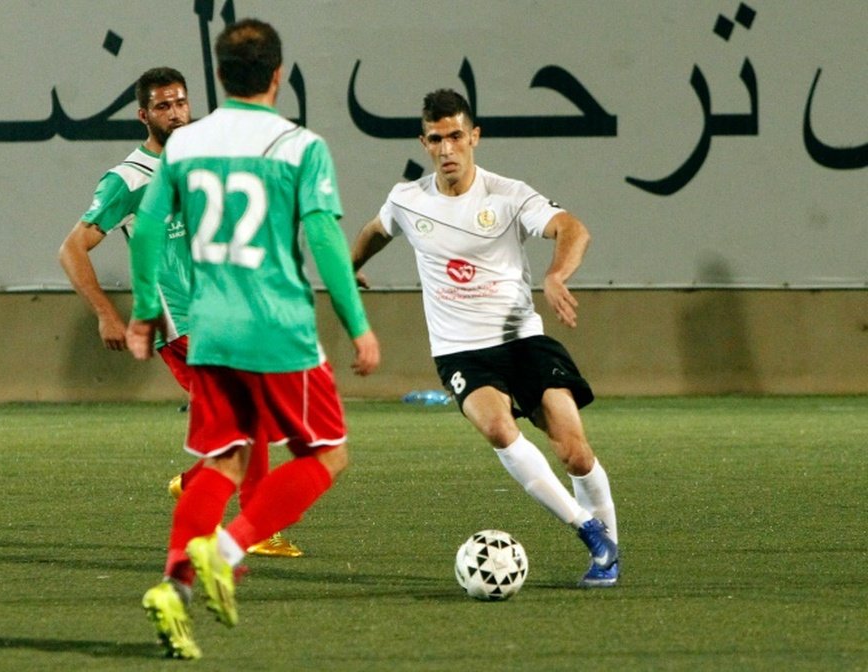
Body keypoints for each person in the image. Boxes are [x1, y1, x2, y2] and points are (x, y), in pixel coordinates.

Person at [127, 19, 380, 660]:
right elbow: (324, 240)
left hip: (210, 330)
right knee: (328, 456)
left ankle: (173, 587)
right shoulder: (300, 146)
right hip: (279, 331)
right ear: (279, 75)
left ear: (216, 77)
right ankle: (231, 550)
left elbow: (151, 227)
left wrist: (144, 310)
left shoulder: (185, 145)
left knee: (222, 462)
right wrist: (358, 326)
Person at [351, 88, 619, 589]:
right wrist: (348, 271)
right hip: (460, 351)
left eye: (456, 136)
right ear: (423, 143)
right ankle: (589, 532)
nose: (447, 148)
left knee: (575, 452)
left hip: (523, 340)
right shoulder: (407, 199)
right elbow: (375, 231)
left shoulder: (509, 195)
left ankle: (611, 551)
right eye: (436, 139)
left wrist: (556, 275)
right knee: (498, 428)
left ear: (474, 136)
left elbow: (572, 228)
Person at [58, 66, 301, 559]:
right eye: (164, 106)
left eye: (181, 103)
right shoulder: (129, 179)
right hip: (180, 321)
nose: (176, 113)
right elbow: (71, 248)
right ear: (143, 115)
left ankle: (195, 484)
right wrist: (107, 314)